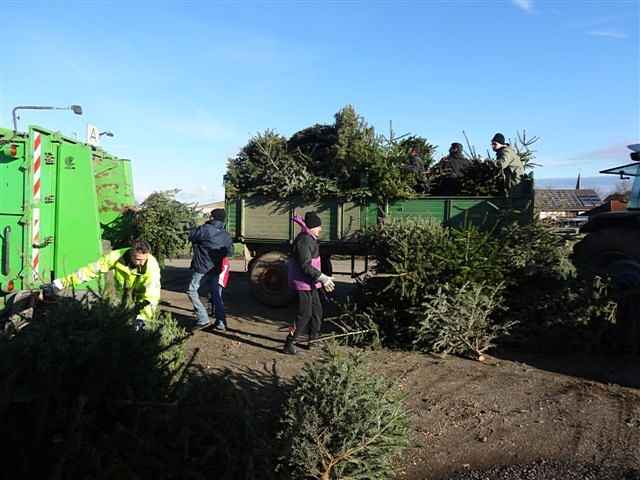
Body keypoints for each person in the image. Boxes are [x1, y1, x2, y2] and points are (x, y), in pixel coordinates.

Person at [45, 239, 161, 330]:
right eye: (138, 259)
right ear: (131, 253)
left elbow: (151, 295)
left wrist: (143, 318)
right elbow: (89, 271)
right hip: (123, 295)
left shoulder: (152, 267)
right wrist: (60, 283)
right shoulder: (115, 257)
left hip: (142, 295)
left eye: (144, 259)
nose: (141, 263)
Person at [283, 212, 335, 355]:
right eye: (318, 227)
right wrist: (322, 277)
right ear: (311, 227)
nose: (320, 229)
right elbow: (305, 265)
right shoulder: (304, 240)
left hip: (311, 282)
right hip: (303, 283)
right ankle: (289, 343)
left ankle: (313, 340)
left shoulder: (310, 238)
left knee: (317, 311)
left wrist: (321, 278)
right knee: (304, 314)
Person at [187, 208, 233, 330]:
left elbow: (191, 236)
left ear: (212, 217)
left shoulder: (205, 229)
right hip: (216, 269)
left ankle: (203, 319)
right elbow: (230, 252)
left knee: (191, 291)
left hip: (202, 268)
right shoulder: (226, 235)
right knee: (216, 295)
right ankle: (221, 323)